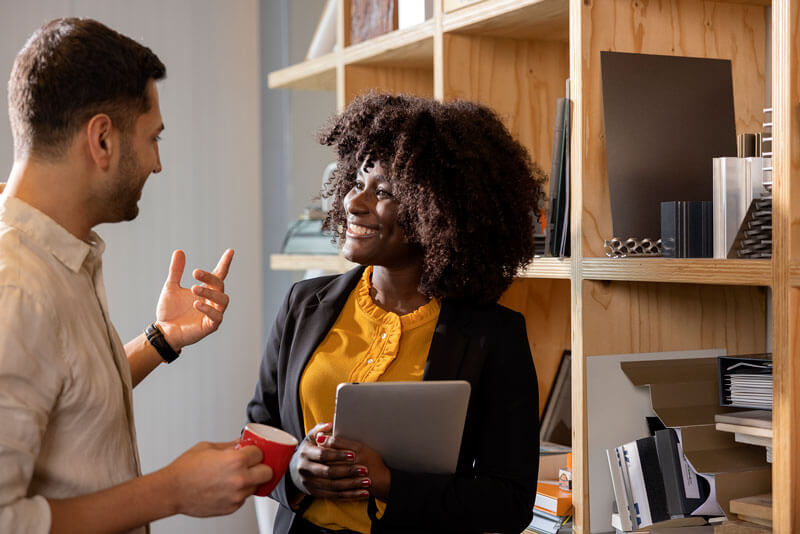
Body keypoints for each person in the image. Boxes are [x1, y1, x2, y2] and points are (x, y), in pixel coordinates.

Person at [0, 18, 272, 533]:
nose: (157, 162)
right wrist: (171, 490)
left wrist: (161, 339)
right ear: (102, 139)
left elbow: (69, 393)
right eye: (153, 138)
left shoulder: (56, 257)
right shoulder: (16, 289)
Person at [247, 92, 543, 534]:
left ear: (439, 210)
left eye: (383, 191)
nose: (353, 202)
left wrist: (389, 483)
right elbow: (258, 434)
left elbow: (510, 503)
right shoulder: (302, 305)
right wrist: (294, 470)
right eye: (356, 183)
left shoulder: (492, 336)